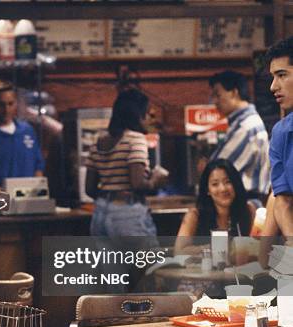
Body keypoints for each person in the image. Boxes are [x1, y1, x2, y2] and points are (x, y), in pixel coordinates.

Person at [85, 88, 168, 238]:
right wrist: (156, 179)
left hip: (100, 214)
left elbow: (89, 189)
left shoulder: (98, 142)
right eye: (147, 113)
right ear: (138, 115)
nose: (150, 118)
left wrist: (110, 197)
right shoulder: (135, 139)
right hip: (128, 215)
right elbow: (137, 183)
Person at [208, 70, 270, 201]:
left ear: (234, 93)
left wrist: (206, 167)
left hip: (244, 202)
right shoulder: (241, 123)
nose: (214, 101)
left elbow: (216, 171)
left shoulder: (246, 126)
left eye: (218, 95)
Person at [175, 159, 255, 257]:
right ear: (208, 190)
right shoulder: (194, 216)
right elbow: (179, 251)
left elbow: (261, 246)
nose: (223, 188)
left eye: (228, 182)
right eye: (215, 184)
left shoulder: (249, 211)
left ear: (236, 184)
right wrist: (213, 248)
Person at [0, 79, 44, 189]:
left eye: (10, 104)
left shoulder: (27, 131)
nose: (6, 110)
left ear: (16, 102)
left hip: (27, 200)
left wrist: (36, 190)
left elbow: (38, 166)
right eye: (1, 105)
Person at [266, 36, 293, 240]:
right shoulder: (281, 133)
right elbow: (282, 199)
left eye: (282, 75)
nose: (273, 86)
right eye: (273, 77)